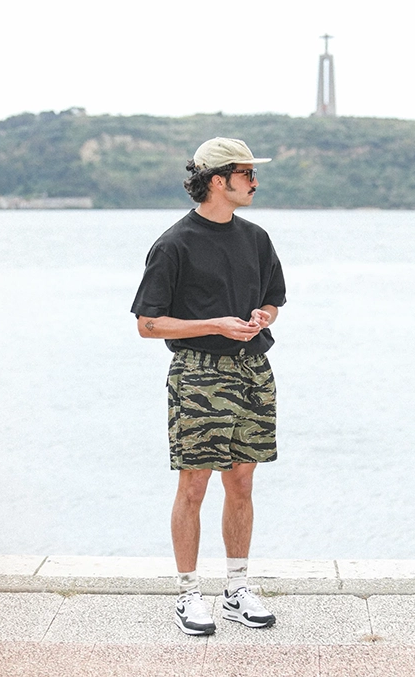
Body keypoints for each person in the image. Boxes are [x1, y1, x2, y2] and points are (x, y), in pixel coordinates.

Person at [131, 137, 286, 636]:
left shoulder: (256, 238)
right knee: (193, 485)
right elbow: (147, 324)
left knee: (241, 482)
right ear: (218, 180)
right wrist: (214, 324)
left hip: (253, 370)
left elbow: (274, 299)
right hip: (198, 373)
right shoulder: (174, 243)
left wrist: (263, 316)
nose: (255, 181)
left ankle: (237, 589)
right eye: (247, 173)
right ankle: (188, 594)